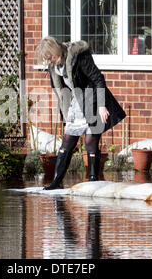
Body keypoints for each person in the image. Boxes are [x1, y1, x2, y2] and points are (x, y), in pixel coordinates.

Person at [35, 36, 126, 190]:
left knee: (91, 141)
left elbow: (98, 79)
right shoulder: (54, 67)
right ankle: (57, 182)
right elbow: (62, 91)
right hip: (76, 105)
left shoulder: (79, 57)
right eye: (46, 59)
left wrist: (102, 106)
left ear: (56, 51)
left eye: (50, 57)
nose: (48, 61)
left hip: (93, 100)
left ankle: (92, 181)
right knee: (68, 141)